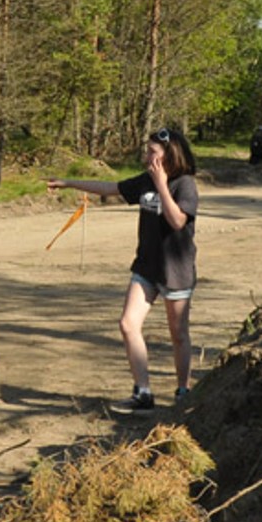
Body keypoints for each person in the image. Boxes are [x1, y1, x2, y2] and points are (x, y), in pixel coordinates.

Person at [47, 126, 199, 411]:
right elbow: (111, 189)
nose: (147, 156)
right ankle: (143, 393)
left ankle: (183, 392)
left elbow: (178, 221)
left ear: (168, 156)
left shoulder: (185, 184)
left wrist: (163, 184)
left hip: (176, 272)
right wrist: (68, 183)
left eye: (152, 152)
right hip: (146, 267)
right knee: (128, 324)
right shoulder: (145, 180)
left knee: (178, 334)